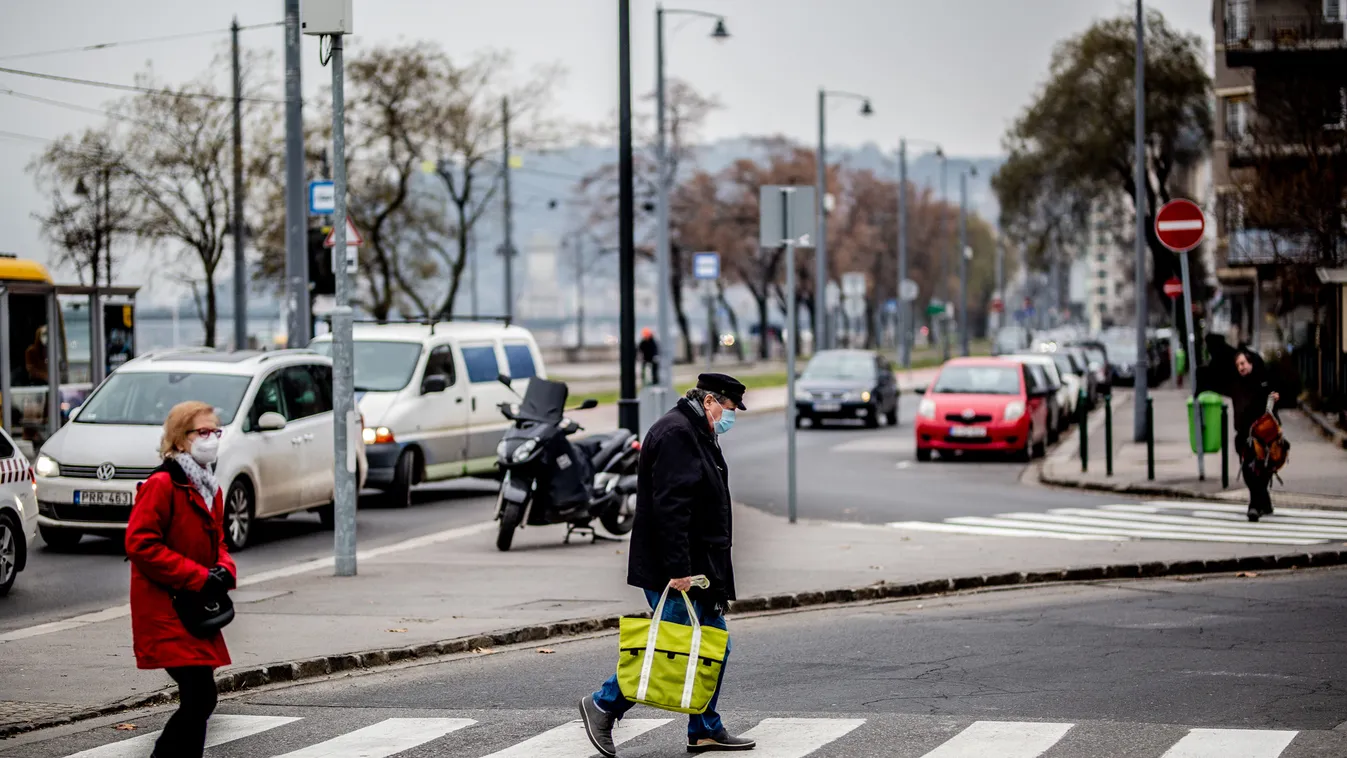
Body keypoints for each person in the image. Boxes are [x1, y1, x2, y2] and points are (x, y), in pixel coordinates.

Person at [580, 373, 755, 756]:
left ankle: (704, 727)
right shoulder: (678, 433)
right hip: (678, 569)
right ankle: (603, 705)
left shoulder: (695, 429)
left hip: (699, 566)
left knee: (712, 646)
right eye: (728, 408)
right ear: (710, 401)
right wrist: (679, 570)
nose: (730, 416)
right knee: (666, 648)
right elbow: (671, 508)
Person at [126, 400, 236, 758]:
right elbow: (140, 543)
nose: (211, 439)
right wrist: (198, 576)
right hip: (165, 607)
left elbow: (218, 540)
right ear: (180, 438)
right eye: (202, 432)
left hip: (193, 607)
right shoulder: (162, 484)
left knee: (200, 698)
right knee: (200, 696)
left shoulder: (209, 487)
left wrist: (223, 571)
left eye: (215, 431)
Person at [1227, 349, 1283, 522]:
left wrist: (1276, 398)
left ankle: (1254, 506)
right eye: (1238, 365)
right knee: (1248, 470)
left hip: (1262, 435)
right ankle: (1264, 502)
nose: (1241, 367)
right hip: (1243, 435)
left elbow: (1277, 398)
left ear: (1250, 363)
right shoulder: (1236, 383)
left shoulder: (1262, 381)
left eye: (1243, 363)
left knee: (1259, 470)